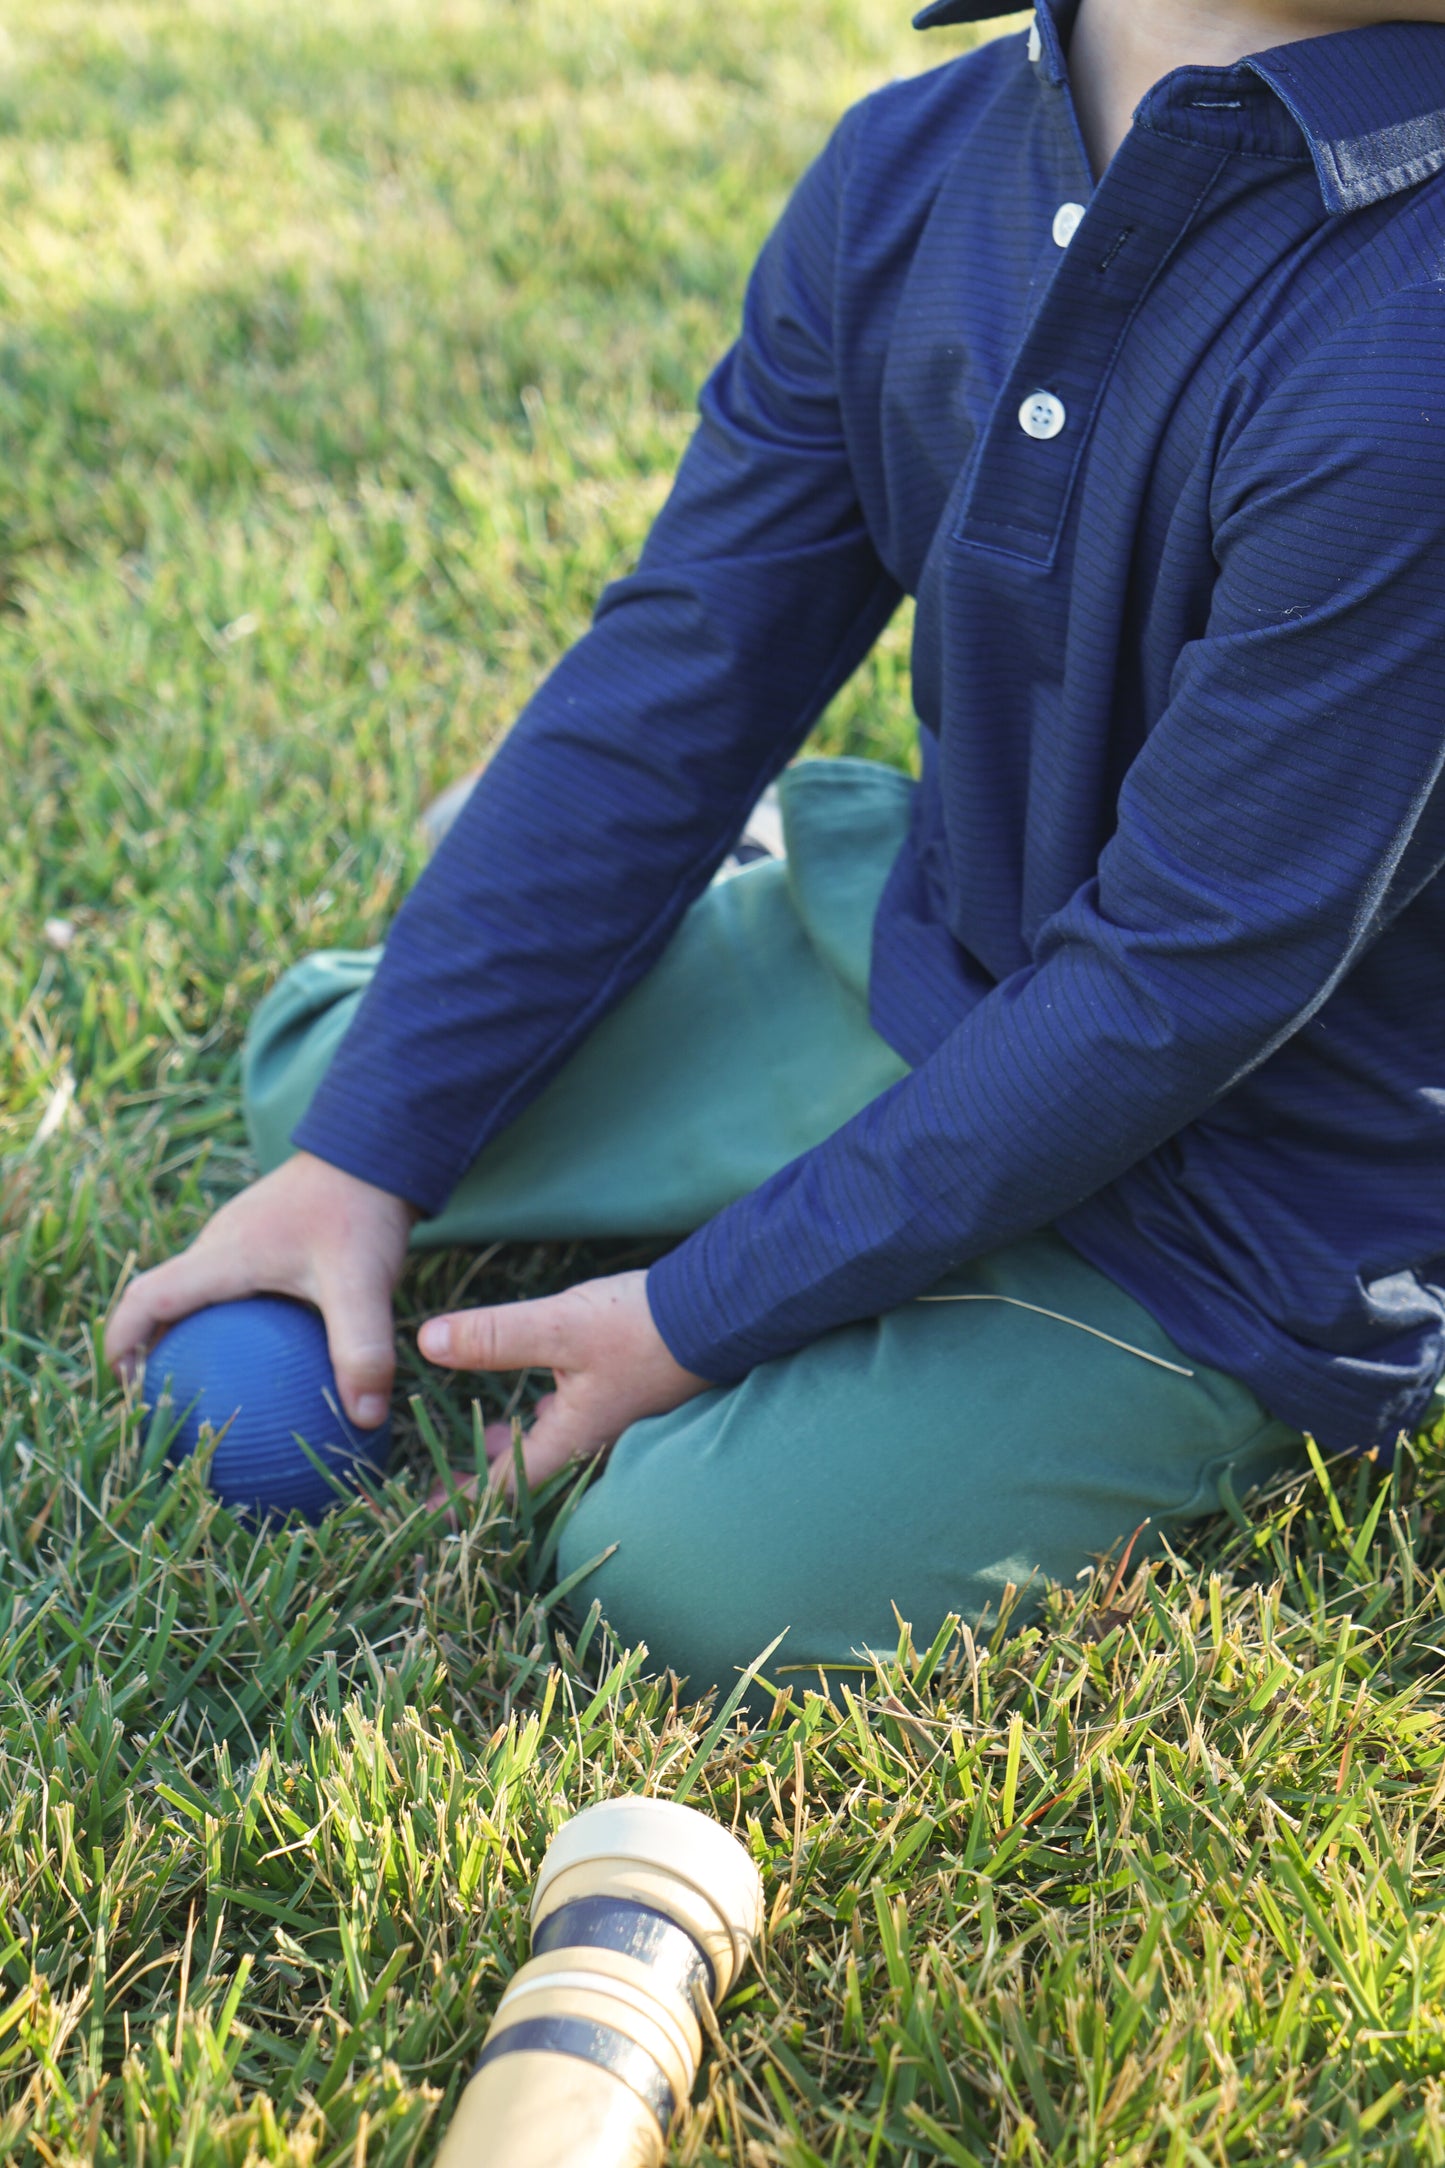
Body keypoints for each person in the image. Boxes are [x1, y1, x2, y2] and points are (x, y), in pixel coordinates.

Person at [107, 0, 1445, 1697]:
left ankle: (722, 997)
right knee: (330, 1090)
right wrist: (360, 1163)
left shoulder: (1418, 341)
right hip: (943, 952)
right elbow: (684, 663)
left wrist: (693, 1314)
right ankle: (712, 904)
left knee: (676, 1570)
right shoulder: (911, 162)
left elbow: (1185, 980)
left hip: (1250, 1184)